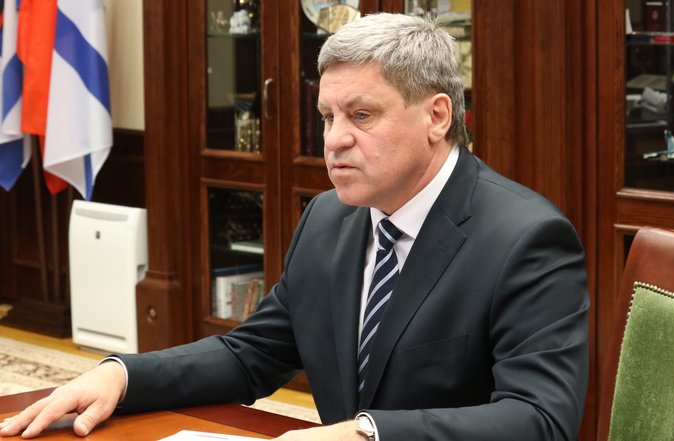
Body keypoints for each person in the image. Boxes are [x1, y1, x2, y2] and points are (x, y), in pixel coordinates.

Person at [0, 12, 589, 440]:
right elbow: (252, 355)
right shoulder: (329, 217)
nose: (334, 140)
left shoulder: (525, 239)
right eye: (328, 116)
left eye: (361, 115)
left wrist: (366, 433)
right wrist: (122, 376)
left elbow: (540, 419)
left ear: (437, 116)